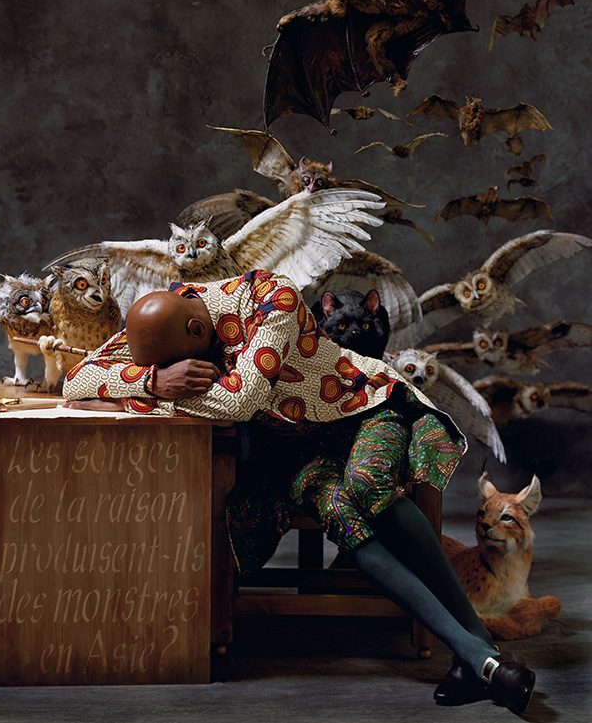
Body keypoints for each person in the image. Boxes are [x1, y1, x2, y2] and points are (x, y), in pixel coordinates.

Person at [63, 269, 536, 715]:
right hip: (300, 447)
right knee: (340, 515)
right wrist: (151, 380)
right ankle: (483, 660)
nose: (179, 370)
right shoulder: (161, 321)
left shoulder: (272, 297)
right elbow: (75, 378)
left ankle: (475, 657)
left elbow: (238, 400)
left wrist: (132, 394)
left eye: (177, 364)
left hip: (364, 408)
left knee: (366, 490)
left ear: (194, 329)